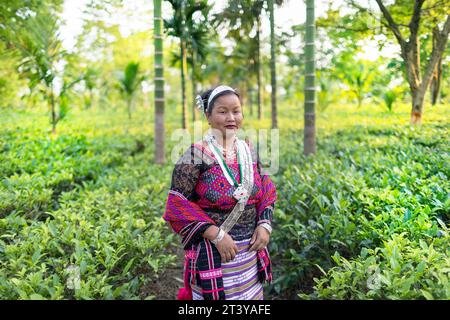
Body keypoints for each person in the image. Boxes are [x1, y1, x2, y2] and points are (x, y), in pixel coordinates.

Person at [163, 85, 277, 300]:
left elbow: (267, 191)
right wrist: (216, 235)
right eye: (222, 111)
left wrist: (265, 225)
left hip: (250, 256)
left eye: (236, 110)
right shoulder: (195, 154)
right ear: (208, 115)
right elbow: (177, 205)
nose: (231, 117)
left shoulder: (249, 150)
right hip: (214, 254)